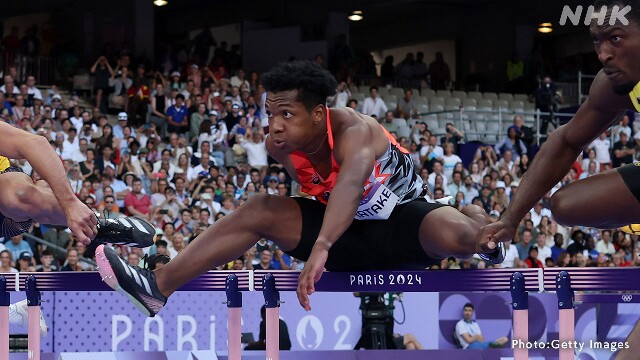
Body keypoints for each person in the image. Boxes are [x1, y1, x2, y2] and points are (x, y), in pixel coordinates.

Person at [96, 60, 503, 317]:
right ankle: (158, 286)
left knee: (458, 232)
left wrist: (320, 247)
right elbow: (322, 199)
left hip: (406, 224)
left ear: (318, 113)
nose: (274, 125)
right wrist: (326, 242)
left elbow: (349, 183)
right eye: (270, 113)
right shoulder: (280, 148)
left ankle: (481, 226)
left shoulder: (353, 130)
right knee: (259, 208)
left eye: (286, 114)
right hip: (346, 238)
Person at [477, 4, 640, 358]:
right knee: (564, 205)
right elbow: (566, 141)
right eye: (597, 42)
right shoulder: (614, 85)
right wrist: (511, 218)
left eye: (615, 39)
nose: (603, 54)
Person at [0, 121, 154, 247]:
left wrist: (70, 204)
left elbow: (34, 143)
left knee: (18, 192)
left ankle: (97, 225)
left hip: (5, 208)